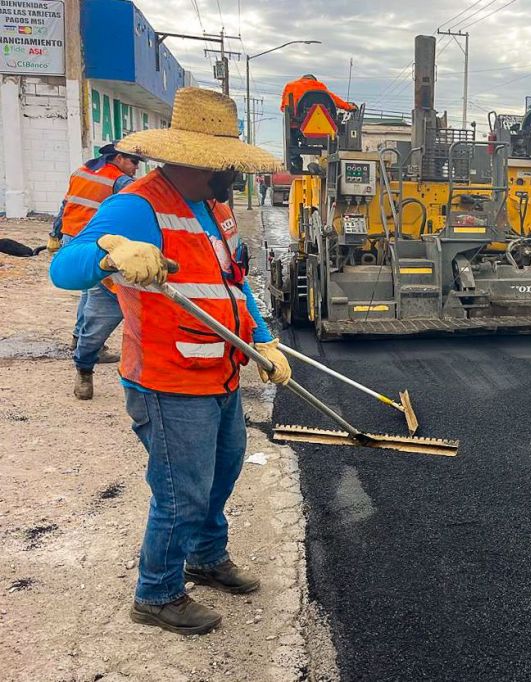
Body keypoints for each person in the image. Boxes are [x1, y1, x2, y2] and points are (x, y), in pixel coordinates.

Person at [50, 87, 290, 636]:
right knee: (181, 489)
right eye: (228, 163)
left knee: (221, 472)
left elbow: (234, 288)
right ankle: (156, 593)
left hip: (220, 369)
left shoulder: (215, 208)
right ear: (199, 160)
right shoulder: (137, 206)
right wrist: (110, 255)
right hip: (168, 379)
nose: (235, 172)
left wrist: (265, 340)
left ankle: (206, 556)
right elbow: (65, 268)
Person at [48, 142, 142, 399]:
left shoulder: (81, 171)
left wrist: (55, 233)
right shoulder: (120, 181)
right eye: (133, 162)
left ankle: (80, 340)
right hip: (96, 243)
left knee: (88, 293)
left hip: (72, 238)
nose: (136, 168)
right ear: (119, 158)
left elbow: (65, 203)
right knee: (96, 297)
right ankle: (86, 348)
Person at [280, 74, 357, 114]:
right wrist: (349, 107)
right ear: (314, 80)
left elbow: (284, 107)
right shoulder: (319, 85)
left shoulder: (290, 86)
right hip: (322, 116)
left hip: (298, 117)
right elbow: (334, 99)